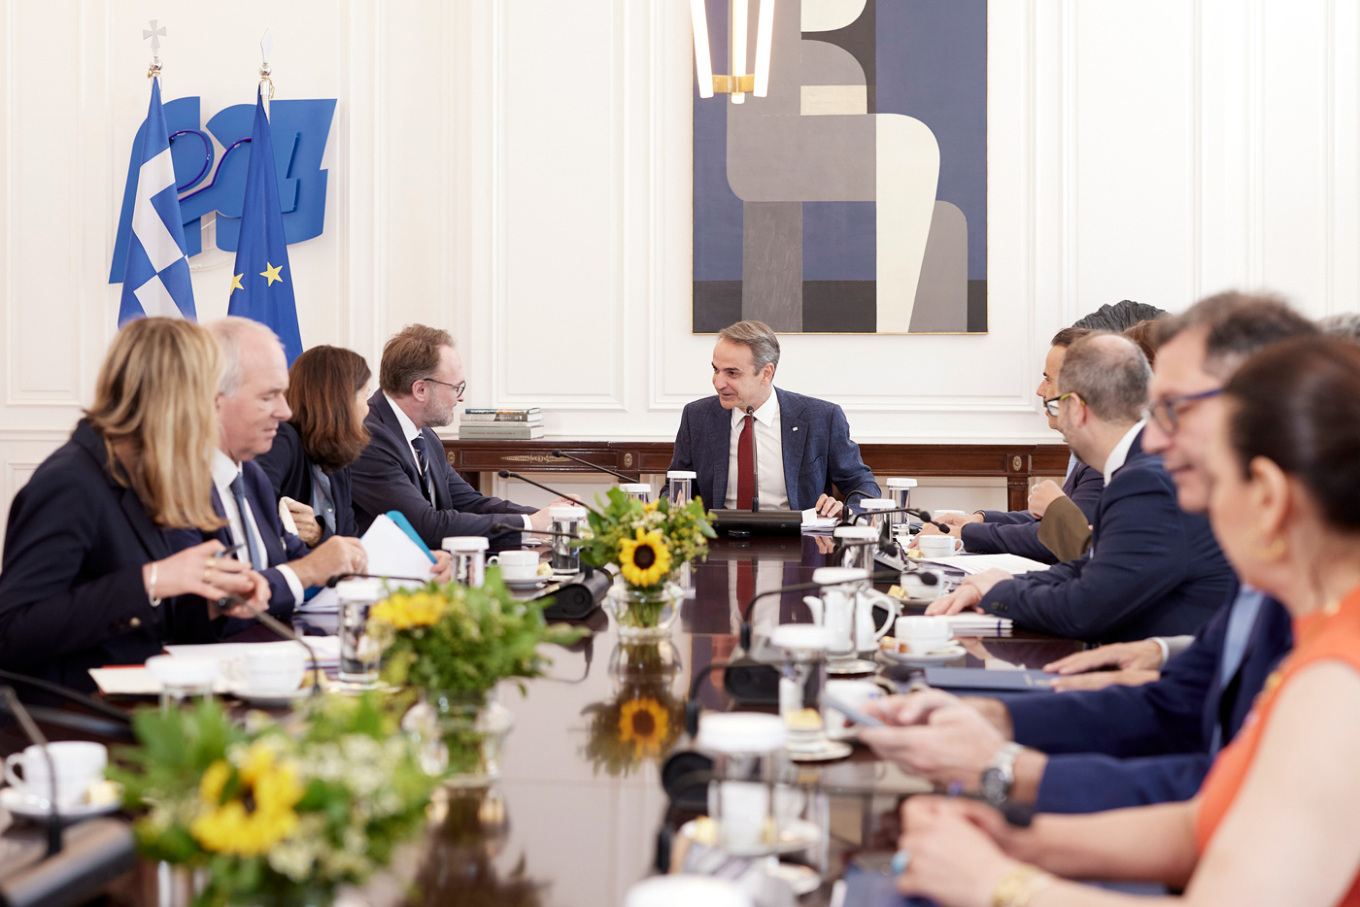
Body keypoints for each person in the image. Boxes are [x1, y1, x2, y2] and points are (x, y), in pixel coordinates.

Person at [890, 335, 1360, 907]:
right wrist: (1018, 837)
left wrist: (995, 882)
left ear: (1268, 496)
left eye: (1172, 415)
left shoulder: (1339, 677)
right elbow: (1205, 817)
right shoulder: (1302, 613)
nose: (1154, 442)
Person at [859, 291, 1314, 815]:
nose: (1152, 441)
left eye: (1172, 410)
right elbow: (1178, 700)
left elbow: (1229, 798)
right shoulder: (1268, 574)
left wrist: (1003, 773)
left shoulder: (1321, 615)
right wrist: (993, 717)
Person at [0, 319, 266, 690]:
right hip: (73, 709)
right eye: (211, 398)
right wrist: (152, 580)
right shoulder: (71, 482)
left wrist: (214, 603)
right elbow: (12, 632)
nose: (215, 412)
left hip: (138, 698)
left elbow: (139, 616)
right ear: (173, 400)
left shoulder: (142, 474)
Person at [927, 333, 1233, 642]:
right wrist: (1005, 584)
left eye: (1055, 405)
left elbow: (1085, 609)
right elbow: (1091, 565)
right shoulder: (1139, 465)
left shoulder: (1145, 479)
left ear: (1075, 408)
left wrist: (999, 592)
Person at [191, 318, 367, 625]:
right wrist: (308, 568)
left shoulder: (250, 477)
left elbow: (316, 553)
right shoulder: (183, 482)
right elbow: (207, 605)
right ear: (216, 400)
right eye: (267, 397)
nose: (285, 411)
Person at [350, 324, 567, 546]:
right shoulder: (368, 439)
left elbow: (471, 503)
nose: (461, 398)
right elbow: (425, 527)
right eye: (457, 387)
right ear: (420, 390)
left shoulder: (426, 437)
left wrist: (547, 516)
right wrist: (530, 524)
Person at [663, 320, 879, 518]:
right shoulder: (697, 416)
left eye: (732, 373)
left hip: (798, 540)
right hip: (718, 540)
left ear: (766, 373)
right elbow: (673, 489)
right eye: (716, 370)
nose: (718, 383)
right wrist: (674, 504)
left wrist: (847, 510)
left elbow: (864, 486)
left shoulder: (821, 418)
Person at [927, 327, 1103, 563]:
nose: (1040, 391)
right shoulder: (1088, 453)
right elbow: (1046, 523)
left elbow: (1060, 536)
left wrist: (967, 533)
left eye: (1048, 380)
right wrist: (979, 520)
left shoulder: (1102, 461)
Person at [256, 345, 370, 544]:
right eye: (365, 396)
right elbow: (254, 514)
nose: (368, 409)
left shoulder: (338, 459)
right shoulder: (282, 439)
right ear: (342, 400)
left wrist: (318, 534)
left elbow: (349, 542)